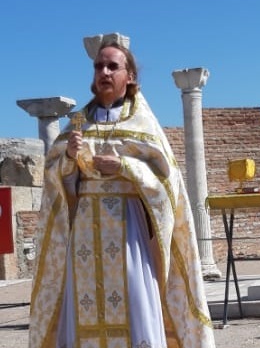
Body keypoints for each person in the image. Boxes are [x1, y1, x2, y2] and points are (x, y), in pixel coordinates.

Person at [28, 41, 215, 348]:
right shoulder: (76, 124)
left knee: (136, 302)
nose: (104, 72)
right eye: (99, 66)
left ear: (129, 76)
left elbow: (168, 182)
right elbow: (55, 188)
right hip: (85, 236)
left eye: (113, 66)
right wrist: (69, 161)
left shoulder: (144, 124)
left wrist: (126, 167)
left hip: (130, 235)